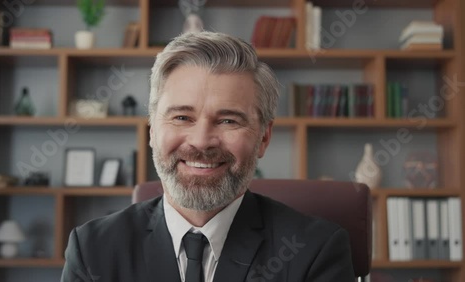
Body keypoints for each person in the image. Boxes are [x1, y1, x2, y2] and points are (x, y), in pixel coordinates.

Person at [61, 31, 355, 282]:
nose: (201, 141)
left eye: (228, 120)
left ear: (263, 137)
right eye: (181, 117)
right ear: (151, 132)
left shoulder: (315, 250)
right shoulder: (92, 250)